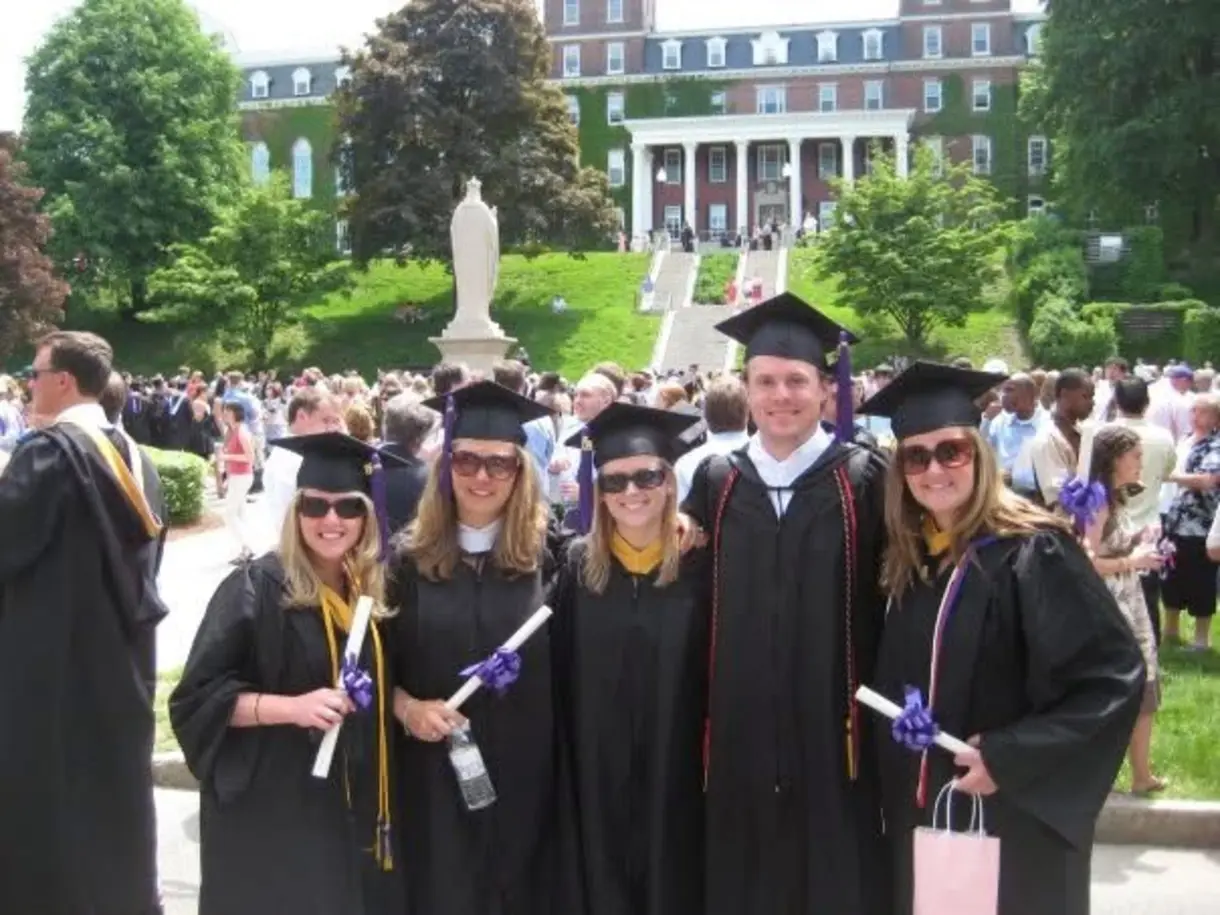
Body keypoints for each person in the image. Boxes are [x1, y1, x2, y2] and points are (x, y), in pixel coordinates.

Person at [860, 362, 1144, 915]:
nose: (933, 469)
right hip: (926, 813)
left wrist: (1010, 759)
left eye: (951, 451)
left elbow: (1112, 681)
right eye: (915, 456)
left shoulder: (1033, 552)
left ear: (980, 454)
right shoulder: (910, 559)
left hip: (1012, 815)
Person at [680, 293, 891, 915]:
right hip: (738, 721)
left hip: (834, 723)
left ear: (826, 389)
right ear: (745, 390)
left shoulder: (862, 478)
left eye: (797, 381)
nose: (781, 396)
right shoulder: (718, 480)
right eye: (765, 381)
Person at [169, 432, 408, 915]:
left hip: (346, 801)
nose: (331, 520)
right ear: (295, 513)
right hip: (274, 805)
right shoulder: (256, 587)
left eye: (348, 507)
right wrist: (292, 708)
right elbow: (195, 699)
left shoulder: (367, 590)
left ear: (367, 515)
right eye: (315, 506)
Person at [0, 331, 169, 915]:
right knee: (114, 798)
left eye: (36, 372)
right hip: (121, 666)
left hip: (50, 673)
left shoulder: (47, 454)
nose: (30, 384)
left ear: (63, 380)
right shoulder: (137, 460)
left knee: (50, 806)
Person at [387, 380, 557, 915]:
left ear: (519, 471)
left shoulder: (551, 558)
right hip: (435, 771)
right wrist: (408, 707)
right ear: (446, 465)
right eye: (466, 461)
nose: (482, 476)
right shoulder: (407, 562)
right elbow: (374, 661)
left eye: (499, 464)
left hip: (526, 772)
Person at [550, 403, 709, 915]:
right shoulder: (577, 568)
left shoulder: (701, 567)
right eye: (615, 482)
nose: (632, 492)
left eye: (646, 476)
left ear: (668, 481)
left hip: (679, 766)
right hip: (597, 769)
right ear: (598, 491)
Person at [1083, 426, 1167, 795]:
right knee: (1133, 685)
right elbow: (1084, 559)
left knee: (1141, 684)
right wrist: (1132, 560)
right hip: (1112, 607)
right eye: (1135, 456)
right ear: (1115, 458)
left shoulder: (1112, 497)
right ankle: (1135, 775)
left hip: (1125, 600)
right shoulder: (1098, 500)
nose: (1140, 464)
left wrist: (1137, 539)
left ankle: (1140, 774)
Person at [1161, 393, 1220, 650]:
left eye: (1202, 412)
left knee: (1201, 580)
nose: (1195, 416)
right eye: (1193, 411)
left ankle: (1200, 640)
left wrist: (1173, 477)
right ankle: (1171, 631)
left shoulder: (1215, 445)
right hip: (1175, 518)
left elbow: (1208, 480)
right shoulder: (1185, 439)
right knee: (1171, 575)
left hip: (1201, 523)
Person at [219, 401, 258, 563]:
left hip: (242, 476)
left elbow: (250, 458)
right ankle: (245, 548)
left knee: (229, 514)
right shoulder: (232, 431)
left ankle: (247, 546)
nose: (225, 415)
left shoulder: (242, 432)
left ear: (236, 414)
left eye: (228, 412)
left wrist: (227, 457)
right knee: (240, 514)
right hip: (237, 476)